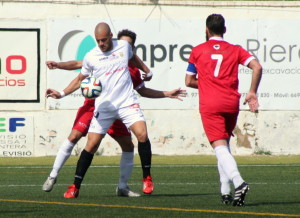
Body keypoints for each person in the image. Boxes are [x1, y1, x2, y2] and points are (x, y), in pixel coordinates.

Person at [46, 24, 185, 198]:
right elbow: (80, 78)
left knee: (142, 134)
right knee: (91, 145)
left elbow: (134, 58)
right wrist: (62, 93)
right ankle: (74, 186)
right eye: (98, 41)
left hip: (127, 103)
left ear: (111, 36)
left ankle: (146, 178)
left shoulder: (123, 46)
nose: (101, 44)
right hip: (104, 107)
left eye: (104, 40)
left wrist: (146, 71)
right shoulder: (92, 56)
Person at [185, 14, 262, 206]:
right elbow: (257, 67)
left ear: (206, 30)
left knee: (219, 148)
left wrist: (207, 84)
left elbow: (188, 81)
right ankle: (225, 191)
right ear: (224, 30)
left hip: (210, 104)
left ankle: (239, 182)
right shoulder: (235, 50)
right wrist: (252, 92)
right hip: (230, 103)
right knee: (224, 146)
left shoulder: (197, 51)